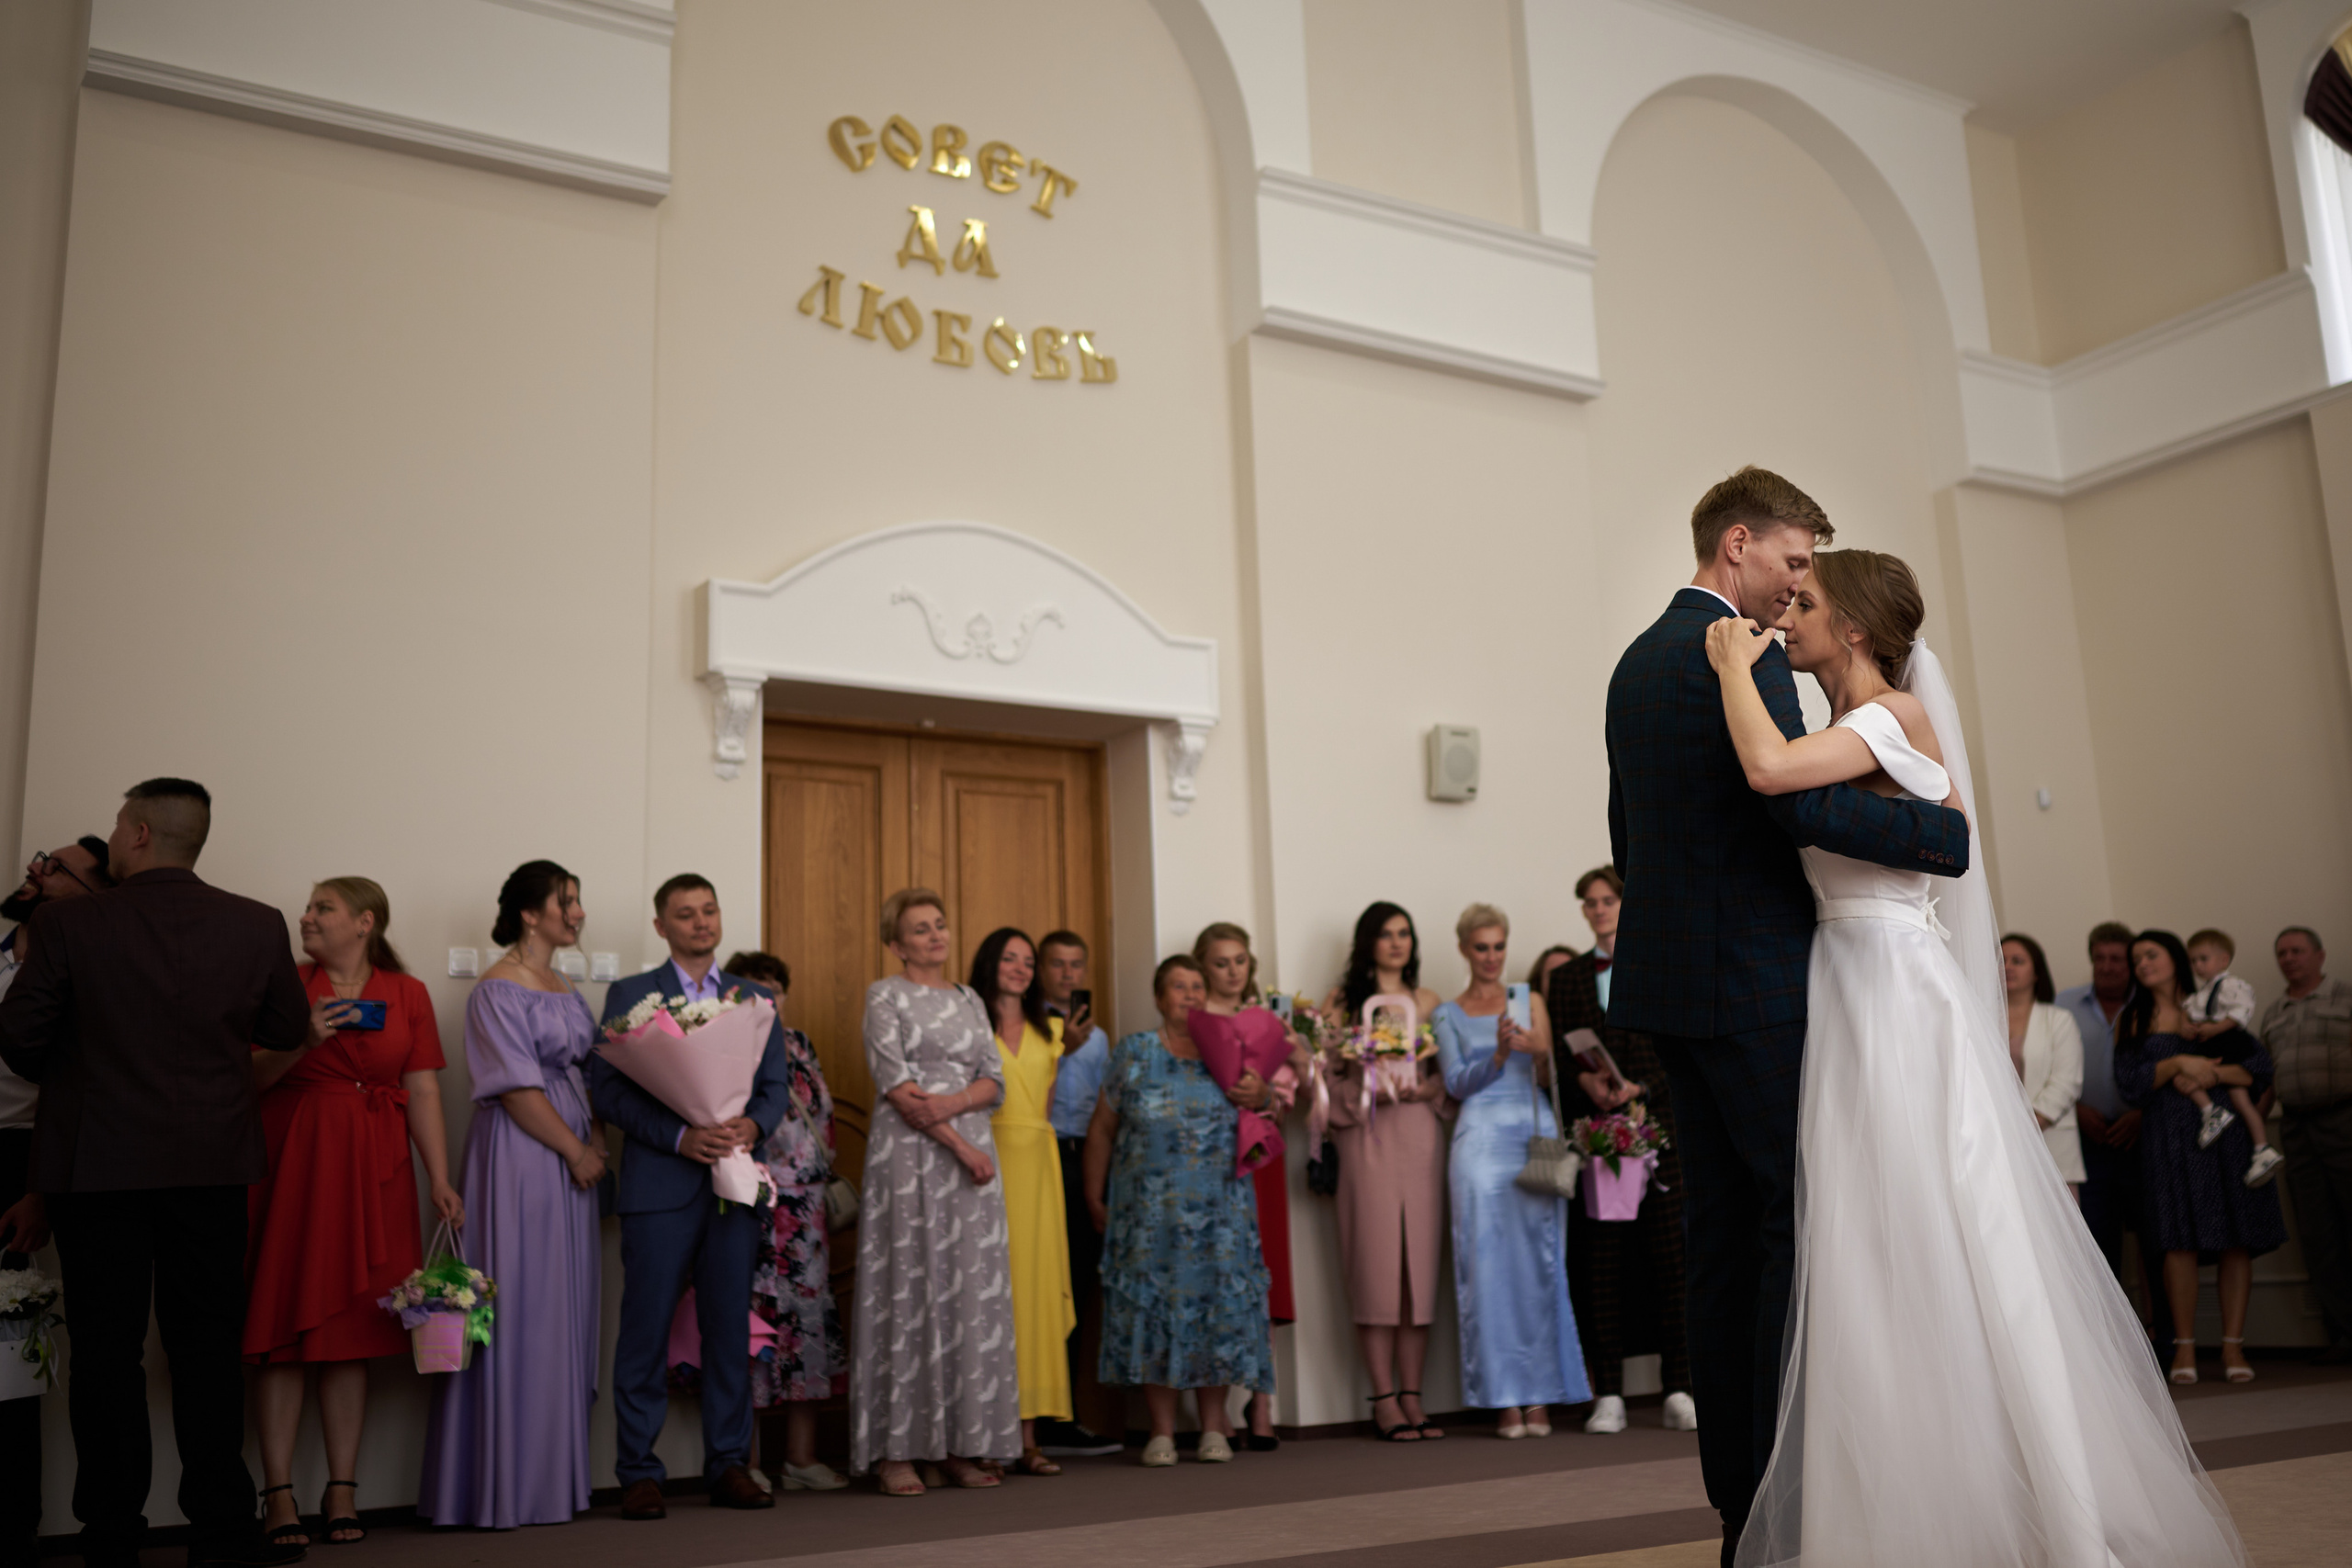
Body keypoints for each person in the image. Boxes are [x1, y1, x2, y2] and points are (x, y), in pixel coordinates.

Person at [1702, 546, 2245, 1566]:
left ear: (1856, 629)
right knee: (1864, 1239)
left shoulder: (1888, 720)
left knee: (1937, 1221)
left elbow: (1768, 771)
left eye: (1808, 603)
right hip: (1844, 985)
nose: (1790, 615)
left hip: (1894, 992)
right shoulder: (1846, 728)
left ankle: (2050, 1512)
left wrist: (1732, 664)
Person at [1605, 470, 1973, 1566]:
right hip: (1761, 988)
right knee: (1794, 1238)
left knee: (1719, 1250)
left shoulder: (1634, 660)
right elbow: (1794, 807)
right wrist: (1941, 838)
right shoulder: (1741, 660)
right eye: (1794, 560)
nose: (1796, 584)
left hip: (1671, 990)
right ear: (1739, 545)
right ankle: (1787, 1502)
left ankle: (1737, 1504)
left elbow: (1630, 828)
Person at [0, 780, 311, 1568]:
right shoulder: (256, 922)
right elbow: (282, 1028)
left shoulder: (69, 922)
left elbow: (18, 1042)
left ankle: (111, 1534)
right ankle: (223, 1531)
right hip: (211, 1164)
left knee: (107, 1354)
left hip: (96, 1164)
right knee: (207, 1349)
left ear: (137, 833)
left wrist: (81, 1062)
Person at [246, 878, 462, 1546]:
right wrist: (303, 1040)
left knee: (352, 1333)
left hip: (378, 1170)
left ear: (364, 922)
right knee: (284, 1330)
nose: (305, 918)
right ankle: (277, 1492)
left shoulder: (409, 992)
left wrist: (439, 1177)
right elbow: (243, 1078)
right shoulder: (283, 984)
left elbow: (422, 1087)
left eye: (322, 909)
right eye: (308, 909)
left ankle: (343, 1487)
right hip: (295, 1162)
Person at [589, 874, 792, 1519]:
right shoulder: (632, 994)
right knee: (644, 1329)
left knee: (728, 1328)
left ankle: (730, 1464)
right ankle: (639, 1472)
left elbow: (774, 1087)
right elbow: (610, 1091)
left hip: (734, 1182)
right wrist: (680, 1136)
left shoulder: (754, 997)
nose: (701, 922)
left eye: (709, 910)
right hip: (660, 1185)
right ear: (661, 926)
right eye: (685, 913)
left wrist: (751, 1126)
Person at [417, 862, 605, 1529]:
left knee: (563, 1309)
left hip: (571, 1155)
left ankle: (553, 1481)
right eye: (568, 900)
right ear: (532, 912)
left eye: (578, 900)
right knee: (524, 1306)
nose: (578, 912)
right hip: (525, 1158)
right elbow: (519, 1090)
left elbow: (586, 1068)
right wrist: (577, 1149)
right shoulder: (497, 989)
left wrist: (597, 1139)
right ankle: (505, 1485)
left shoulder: (565, 984)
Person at [852, 888, 1017, 1495]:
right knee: (910, 1287)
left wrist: (955, 1104)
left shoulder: (971, 997)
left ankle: (958, 1443)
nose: (934, 936)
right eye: (920, 929)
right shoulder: (884, 994)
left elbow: (994, 1079)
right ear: (896, 943)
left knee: (966, 1293)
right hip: (913, 1157)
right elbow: (898, 1086)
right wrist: (963, 1143)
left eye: (940, 925)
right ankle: (898, 1451)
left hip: (968, 1148)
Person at [1084, 954, 1273, 1465]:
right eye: (1178, 987)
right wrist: (1094, 1194)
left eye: (1196, 986)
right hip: (1147, 1216)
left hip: (1221, 1212)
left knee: (1215, 1311)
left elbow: (1265, 1109)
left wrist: (1264, 1091)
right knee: (1153, 1311)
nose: (1189, 995)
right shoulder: (1135, 1052)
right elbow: (1102, 1128)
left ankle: (1214, 1426)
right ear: (1158, 996)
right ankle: (1162, 1432)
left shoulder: (1229, 1049)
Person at [1545, 865, 1695, 1435]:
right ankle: (1606, 1391)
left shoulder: (1659, 958)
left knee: (1670, 1264)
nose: (1600, 909)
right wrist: (1586, 1084)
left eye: (1608, 900)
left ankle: (1680, 1385)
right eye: (1590, 902)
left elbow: (1679, 1048)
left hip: (1658, 1134)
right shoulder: (1568, 980)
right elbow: (1562, 1060)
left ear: (1625, 904)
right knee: (1600, 1266)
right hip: (1599, 1140)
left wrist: (1644, 1090)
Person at [0, 834, 116, 1565]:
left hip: (19, 1158)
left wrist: (38, 1186)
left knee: (10, 1353)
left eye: (59, 867)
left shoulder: (85, 964)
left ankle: (13, 1524)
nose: (39, 869)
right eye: (43, 857)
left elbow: (72, 1086)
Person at [1431, 905, 1588, 1438]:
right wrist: (1498, 1055)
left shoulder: (1530, 1000)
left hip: (1531, 1134)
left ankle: (1540, 1395)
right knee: (1485, 1270)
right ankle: (1502, 1399)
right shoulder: (1447, 1013)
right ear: (1464, 949)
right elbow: (1454, 1083)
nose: (1493, 957)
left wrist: (1540, 1051)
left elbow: (1548, 1075)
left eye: (1499, 946)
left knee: (1541, 1264)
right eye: (1482, 947)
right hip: (1478, 1141)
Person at [2114, 929, 2287, 1388]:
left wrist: (2210, 1070)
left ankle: (2233, 1345)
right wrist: (2174, 1065)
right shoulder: (2134, 1017)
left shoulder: (2212, 1002)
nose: (2143, 964)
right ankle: (2185, 1347)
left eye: (2151, 955)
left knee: (2235, 1237)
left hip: (2226, 1136)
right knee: (2177, 1241)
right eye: (2137, 960)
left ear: (2175, 958)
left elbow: (2258, 1069)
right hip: (2168, 1142)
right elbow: (2129, 1084)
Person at [718, 949, 848, 1491]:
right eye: (754, 988)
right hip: (753, 1201)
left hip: (808, 1210)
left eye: (775, 988)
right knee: (752, 1326)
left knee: (808, 1327)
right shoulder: (722, 1048)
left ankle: (800, 1456)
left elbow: (823, 1118)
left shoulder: (802, 1046)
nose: (767, 998)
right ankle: (743, 1461)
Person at [1320, 902, 1447, 1441]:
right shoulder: (1344, 1004)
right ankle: (1382, 1397)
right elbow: (1320, 1083)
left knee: (1417, 1269)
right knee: (1374, 1267)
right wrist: (1362, 1087)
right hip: (1366, 1136)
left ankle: (1414, 1395)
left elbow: (1449, 1075)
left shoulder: (1429, 1001)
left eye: (1405, 933)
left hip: (1418, 1136)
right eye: (1386, 934)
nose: (1397, 943)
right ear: (1367, 941)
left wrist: (1426, 1088)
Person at [1192, 920, 1308, 1450]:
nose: (1233, 971)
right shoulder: (1192, 1020)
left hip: (1259, 1157)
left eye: (1240, 960)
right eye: (1221, 962)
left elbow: (1291, 1088)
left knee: (1262, 1278)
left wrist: (1269, 1092)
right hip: (1208, 1162)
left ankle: (1261, 1406)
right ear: (1203, 967)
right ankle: (1215, 1413)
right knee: (1216, 1281)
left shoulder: (1268, 1020)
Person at [968, 925, 1074, 1475]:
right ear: (990, 963)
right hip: (985, 1161)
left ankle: (1027, 1439)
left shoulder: (1050, 1026)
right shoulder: (968, 1022)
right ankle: (985, 1437)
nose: (1021, 968)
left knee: (1032, 1295)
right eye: (1010, 958)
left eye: (1028, 960)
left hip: (1038, 1164)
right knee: (991, 1296)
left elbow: (1049, 1105)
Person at [2058, 920, 2171, 1338]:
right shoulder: (2062, 1005)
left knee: (2156, 1240)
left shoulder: (2152, 1006)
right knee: (2098, 1244)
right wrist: (2077, 1108)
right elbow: (2052, 1068)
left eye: (2117, 959)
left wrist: (2142, 1113)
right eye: (2099, 958)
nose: (2107, 967)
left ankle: (2164, 1336)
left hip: (2145, 1138)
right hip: (2086, 1140)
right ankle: (2111, 1343)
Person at [1032, 930, 1121, 1458]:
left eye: (1075, 965)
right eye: (1057, 965)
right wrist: (1061, 1051)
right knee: (1038, 1286)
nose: (1067, 975)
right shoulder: (1025, 1029)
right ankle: (1030, 1417)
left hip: (1084, 1161)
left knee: (1078, 1289)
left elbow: (1104, 1112)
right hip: (1036, 1157)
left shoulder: (1103, 1038)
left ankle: (1064, 1416)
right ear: (1042, 971)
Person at [2260, 927, 2352, 1365]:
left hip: (2344, 1119)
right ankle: (2343, 1335)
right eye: (2282, 953)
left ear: (2320, 954)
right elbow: (2267, 1078)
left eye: (2298, 950)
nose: (2289, 958)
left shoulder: (2345, 997)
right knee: (2318, 1236)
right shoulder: (2273, 1012)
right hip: (2296, 1129)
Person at [2178, 930, 2280, 1185]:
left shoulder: (2232, 985)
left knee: (2240, 1098)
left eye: (2203, 959)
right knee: (2191, 1079)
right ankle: (2212, 1112)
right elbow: (2192, 1011)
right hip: (2212, 1043)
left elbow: (2241, 1012)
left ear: (2223, 960)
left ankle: (2261, 1148)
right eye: (2193, 961)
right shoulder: (2202, 993)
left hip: (2230, 1044)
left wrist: (2214, 1028)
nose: (2197, 966)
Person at [2004, 932, 2086, 1197]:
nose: (2007, 967)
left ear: (2036, 972)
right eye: (2001, 960)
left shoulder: (2059, 1020)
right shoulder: (1980, 1020)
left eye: (2017, 961)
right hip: (1998, 1144)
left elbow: (2066, 1082)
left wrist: (2029, 1124)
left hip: (2051, 1143)